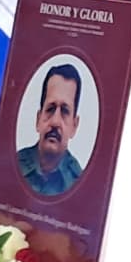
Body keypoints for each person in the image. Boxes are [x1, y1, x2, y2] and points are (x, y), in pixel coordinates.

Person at [16, 63, 86, 195]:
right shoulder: (12, 167)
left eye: (65, 111)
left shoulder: (80, 188)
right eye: (50, 109)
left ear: (74, 126)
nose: (55, 121)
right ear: (38, 119)